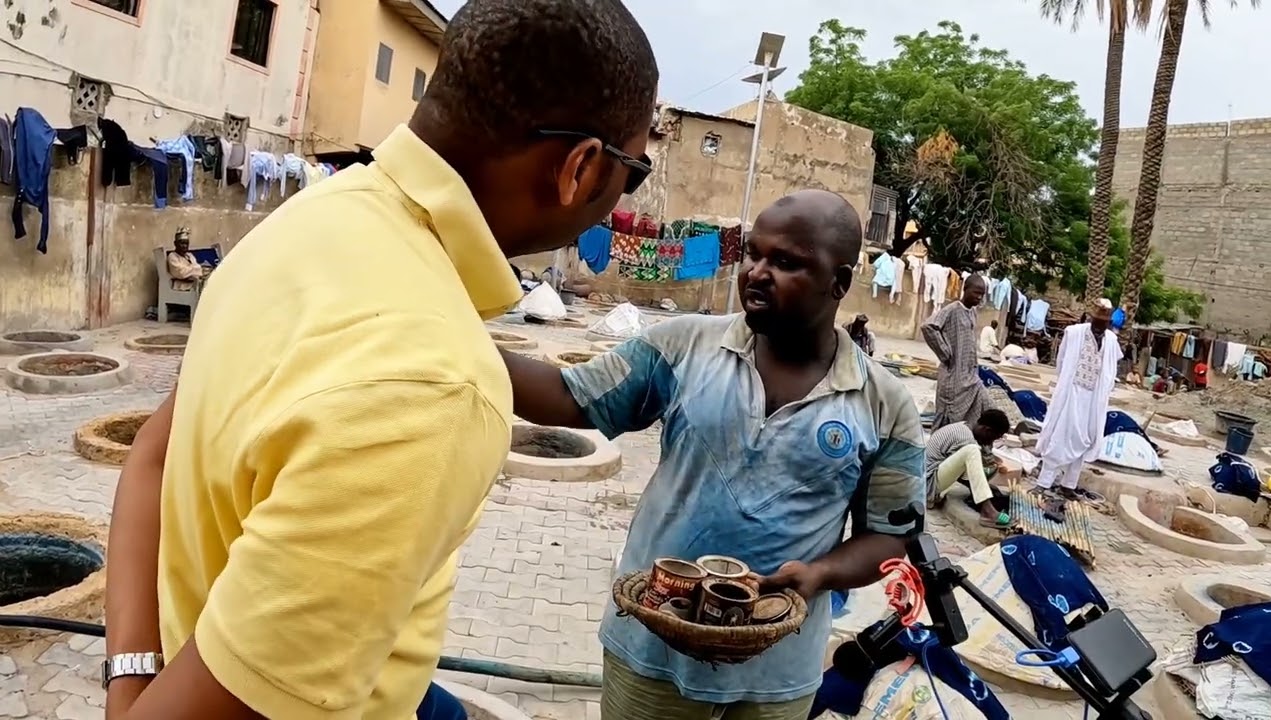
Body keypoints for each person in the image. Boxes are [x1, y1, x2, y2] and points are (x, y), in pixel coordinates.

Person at [102, 1, 659, 718]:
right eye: (633, 171)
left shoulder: (303, 225)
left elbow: (152, 453)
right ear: (580, 167)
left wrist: (134, 673)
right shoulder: (434, 389)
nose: (621, 195)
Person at [501, 190, 926, 719]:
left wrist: (821, 575)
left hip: (776, 674)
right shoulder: (681, 347)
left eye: (787, 262)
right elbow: (568, 396)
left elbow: (888, 534)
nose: (757, 272)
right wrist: (462, 343)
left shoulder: (886, 404)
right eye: (754, 253)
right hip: (653, 648)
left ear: (838, 283)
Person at [1034, 299, 1122, 497]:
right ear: (1091, 317)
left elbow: (1112, 367)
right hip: (1072, 393)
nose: (1101, 324)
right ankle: (1044, 482)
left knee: (1086, 437)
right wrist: (1065, 385)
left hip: (1095, 398)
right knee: (1060, 435)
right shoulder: (1073, 333)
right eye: (1098, 319)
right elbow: (1061, 362)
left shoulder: (1111, 341)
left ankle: (1069, 485)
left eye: (1104, 321)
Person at [926, 409, 1012, 528]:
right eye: (993, 437)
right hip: (928, 484)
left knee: (972, 451)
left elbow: (960, 473)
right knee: (972, 450)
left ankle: (987, 508)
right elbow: (967, 477)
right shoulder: (966, 439)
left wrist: (986, 488)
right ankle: (988, 513)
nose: (990, 442)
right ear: (986, 430)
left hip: (930, 479)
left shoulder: (963, 427)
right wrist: (985, 493)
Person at [922, 273, 989, 427]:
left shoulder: (972, 312)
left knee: (983, 406)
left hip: (970, 376)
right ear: (965, 289)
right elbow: (928, 327)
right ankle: (938, 446)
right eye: (976, 292)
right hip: (953, 376)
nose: (979, 297)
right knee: (946, 418)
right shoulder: (952, 309)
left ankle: (964, 443)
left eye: (982, 294)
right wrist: (945, 353)